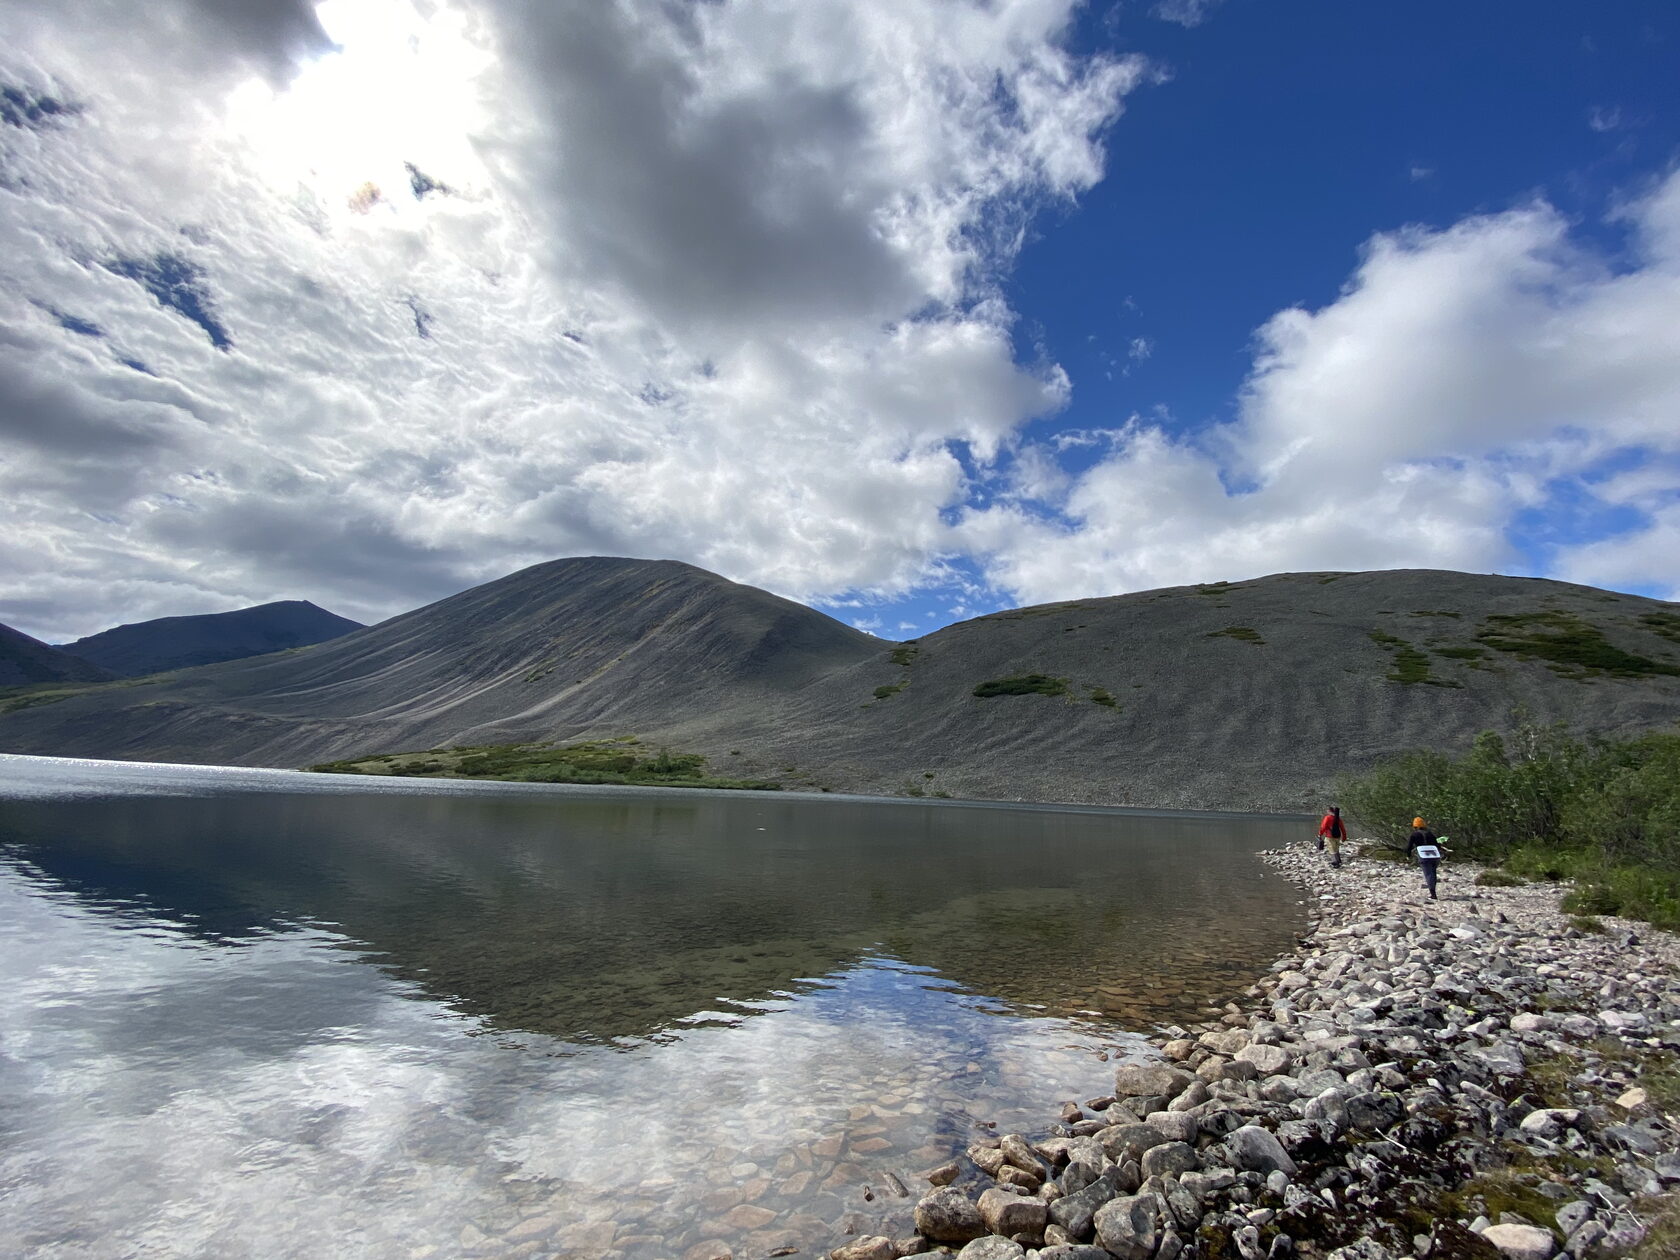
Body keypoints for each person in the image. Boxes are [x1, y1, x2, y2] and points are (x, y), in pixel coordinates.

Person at [1407, 816, 1442, 900]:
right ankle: (1433, 891)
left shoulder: (1414, 835)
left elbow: (1409, 847)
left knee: (1428, 873)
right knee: (1433, 873)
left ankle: (1433, 894)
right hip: (1435, 855)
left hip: (1424, 856)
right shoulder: (1430, 834)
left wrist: (1408, 856)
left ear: (1415, 826)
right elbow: (1438, 845)